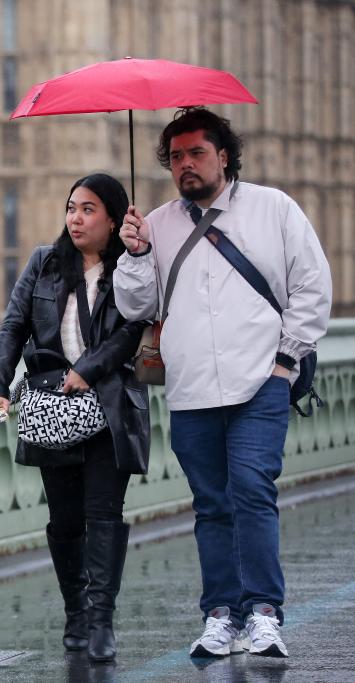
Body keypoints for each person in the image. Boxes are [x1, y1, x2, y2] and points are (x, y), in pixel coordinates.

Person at [113, 107, 332, 659]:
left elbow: (313, 286)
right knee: (211, 504)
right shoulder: (158, 224)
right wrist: (135, 255)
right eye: (177, 156)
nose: (186, 164)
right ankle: (220, 615)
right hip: (190, 388)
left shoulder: (272, 208)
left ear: (224, 156)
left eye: (196, 153)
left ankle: (262, 612)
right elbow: (136, 307)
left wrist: (286, 362)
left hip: (261, 380)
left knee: (253, 492)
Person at [0, 173, 151, 663]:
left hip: (110, 408)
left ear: (114, 219)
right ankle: (75, 609)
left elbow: (132, 330)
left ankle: (100, 621)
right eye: (72, 207)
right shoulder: (45, 263)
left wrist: (88, 370)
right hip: (54, 407)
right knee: (65, 521)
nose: (76, 217)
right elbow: (14, 328)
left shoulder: (130, 270)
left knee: (103, 515)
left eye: (89, 209)